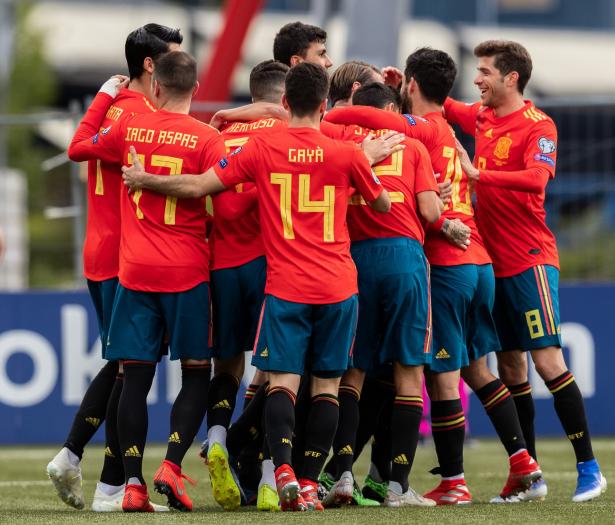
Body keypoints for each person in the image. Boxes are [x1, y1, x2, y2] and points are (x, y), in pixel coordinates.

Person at [121, 63, 402, 512]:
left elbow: (198, 186)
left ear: (286, 104)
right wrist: (367, 162)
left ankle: (283, 468)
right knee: (327, 387)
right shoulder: (345, 154)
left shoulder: (262, 148)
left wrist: (144, 180)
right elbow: (383, 205)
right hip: (337, 286)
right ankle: (308, 483)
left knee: (282, 385)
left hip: (286, 285)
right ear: (325, 105)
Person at [325, 47, 545, 505]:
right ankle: (524, 462)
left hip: (443, 263)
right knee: (473, 369)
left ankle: (454, 481)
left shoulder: (418, 130)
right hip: (477, 258)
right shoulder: (448, 132)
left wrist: (333, 110)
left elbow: (383, 124)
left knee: (437, 377)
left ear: (409, 87)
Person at [447, 39, 606, 503]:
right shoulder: (481, 117)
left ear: (511, 77)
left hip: (530, 260)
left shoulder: (540, 125)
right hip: (489, 265)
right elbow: (443, 107)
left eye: (484, 71)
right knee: (511, 365)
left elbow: (537, 179)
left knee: (547, 361)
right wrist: (403, 89)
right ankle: (529, 476)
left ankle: (589, 468)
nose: (477, 79)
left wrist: (478, 176)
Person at [68, 50, 226, 512]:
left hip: (134, 272)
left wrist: (103, 96)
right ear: (196, 90)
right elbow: (223, 202)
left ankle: (131, 484)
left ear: (155, 87)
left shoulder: (129, 129)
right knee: (197, 374)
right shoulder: (207, 138)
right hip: (187, 272)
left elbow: (79, 147)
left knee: (133, 379)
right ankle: (172, 463)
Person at [47, 23, 181, 513]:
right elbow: (81, 148)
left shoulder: (119, 110)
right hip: (130, 260)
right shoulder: (144, 116)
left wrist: (102, 98)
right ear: (151, 65)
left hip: (101, 254)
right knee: (133, 366)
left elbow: (80, 144)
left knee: (125, 365)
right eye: (173, 58)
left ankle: (92, 470)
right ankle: (102, 476)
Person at [320, 82, 441, 509]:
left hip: (354, 262)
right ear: (390, 109)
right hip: (404, 259)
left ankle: (344, 476)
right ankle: (397, 487)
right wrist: (439, 203)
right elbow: (430, 213)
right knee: (409, 372)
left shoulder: (338, 139)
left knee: (351, 374)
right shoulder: (412, 147)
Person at [205, 59, 289, 513]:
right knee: (278, 369)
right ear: (282, 97)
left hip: (221, 264)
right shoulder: (280, 136)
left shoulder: (219, 136)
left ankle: (217, 437)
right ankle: (269, 476)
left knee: (228, 367)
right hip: (266, 262)